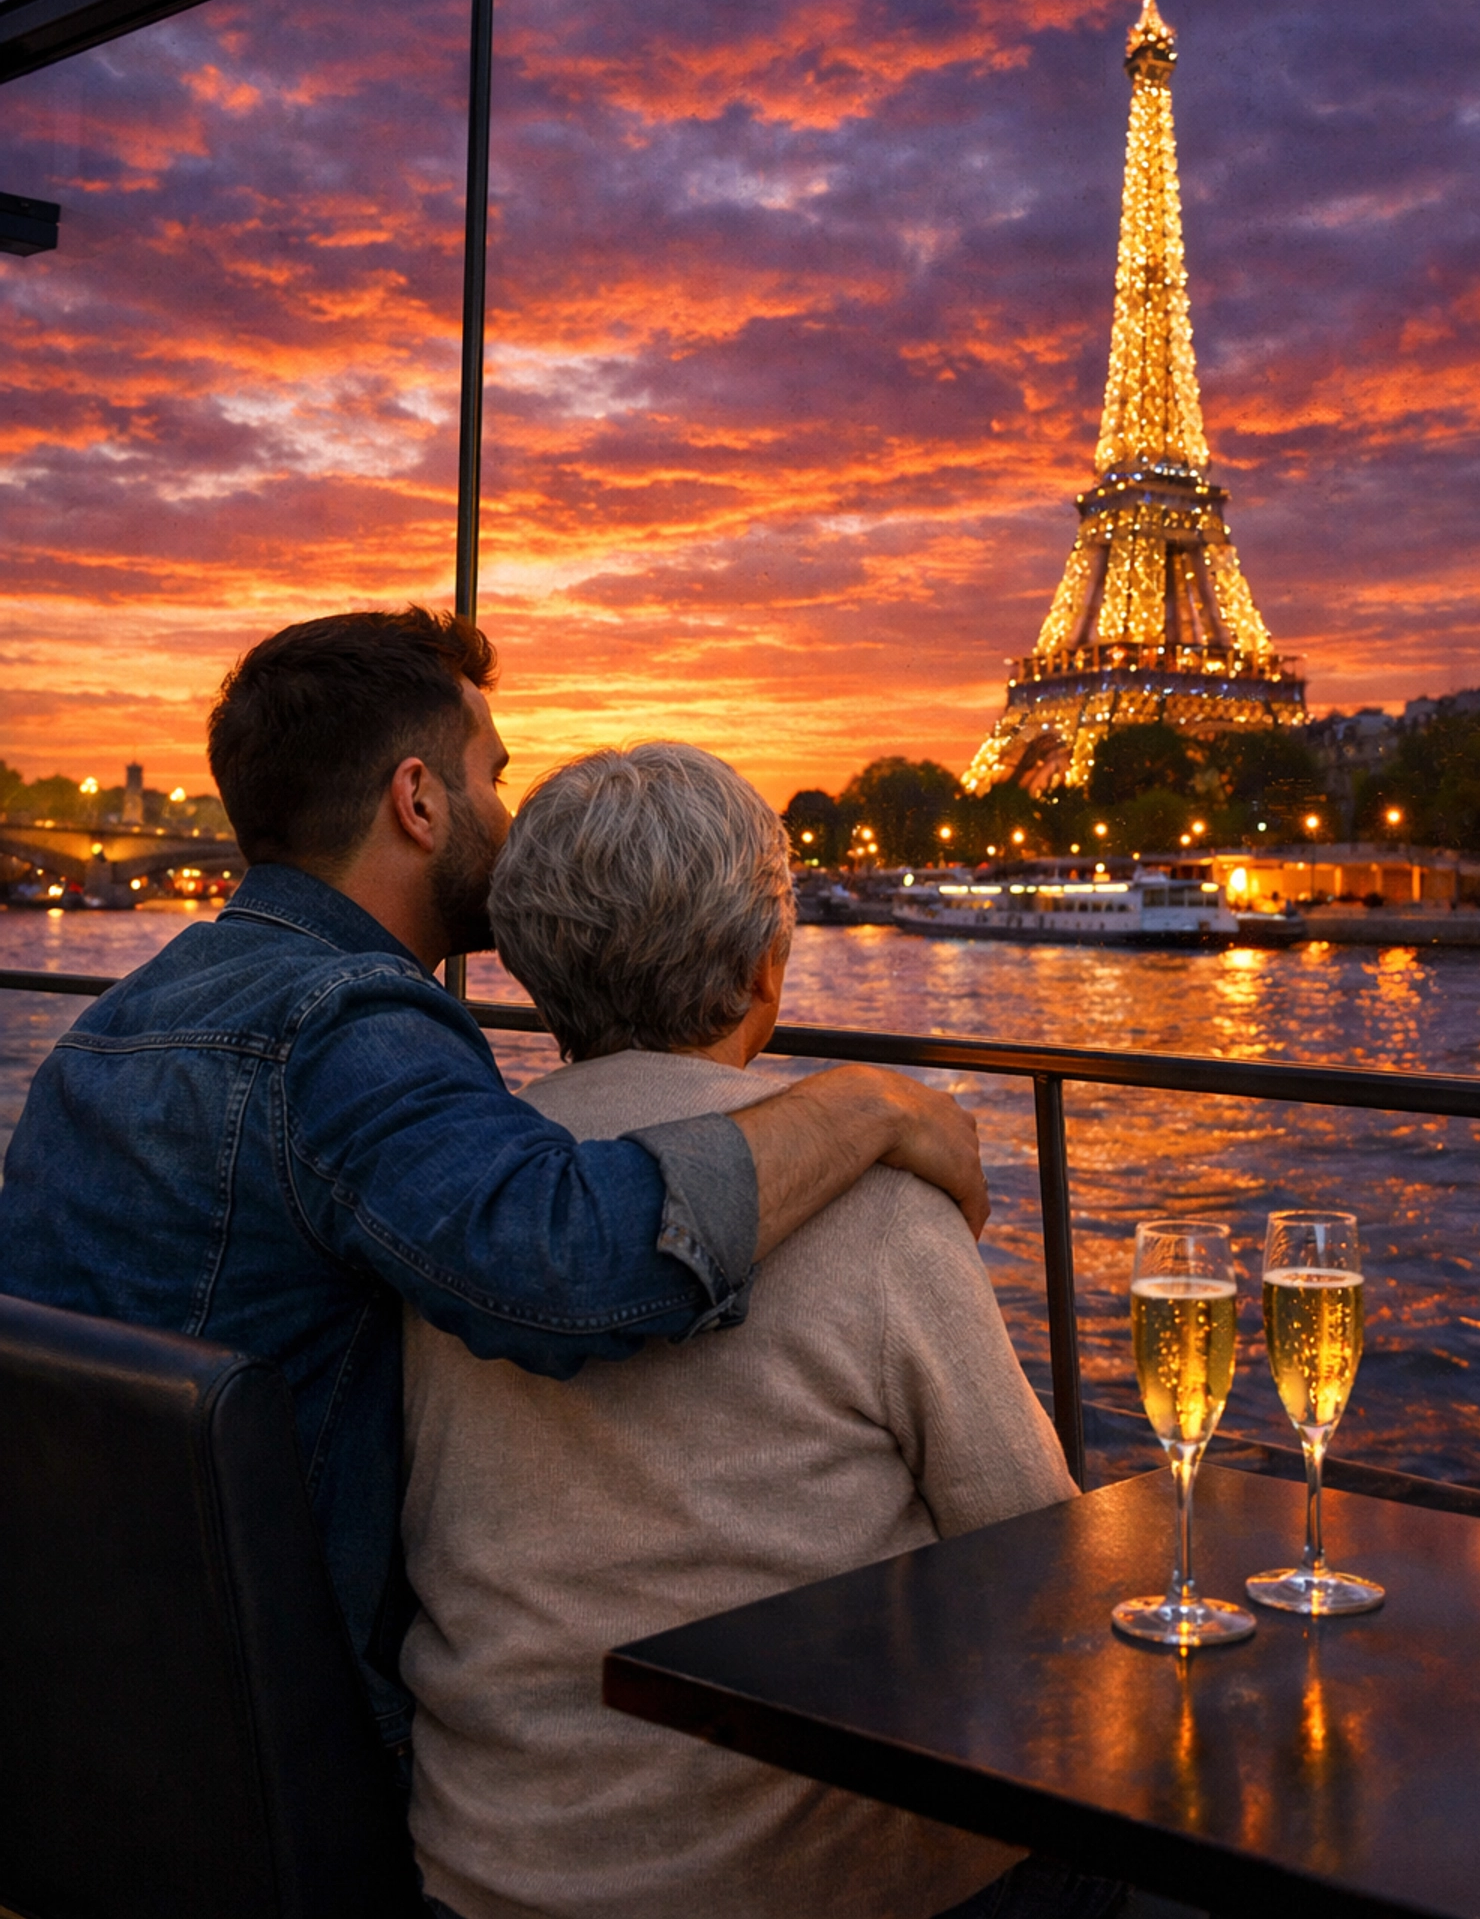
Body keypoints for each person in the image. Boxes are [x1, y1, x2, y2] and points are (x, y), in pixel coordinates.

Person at [0, 611, 986, 1756]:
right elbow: (563, 1261)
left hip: (80, 1692)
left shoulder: (115, 1022)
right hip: (279, 1733)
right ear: (418, 802)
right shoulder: (341, 1019)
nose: (508, 821)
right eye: (494, 776)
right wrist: (872, 1103)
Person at [402, 743, 1104, 1919]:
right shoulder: (876, 1203)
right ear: (764, 963)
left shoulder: (468, 1194)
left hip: (488, 1870)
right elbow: (1040, 1567)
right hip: (808, 1886)